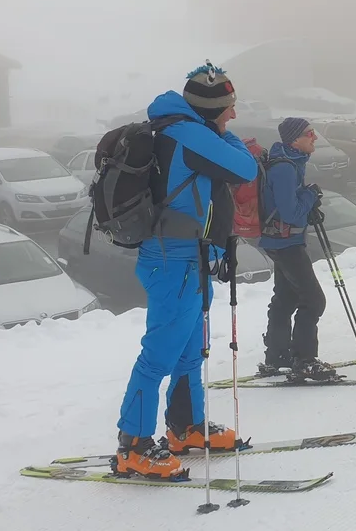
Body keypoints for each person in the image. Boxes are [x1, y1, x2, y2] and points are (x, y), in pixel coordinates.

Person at [114, 63, 258, 479]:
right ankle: (133, 444)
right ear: (211, 109)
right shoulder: (189, 133)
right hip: (171, 259)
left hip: (187, 258)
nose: (232, 116)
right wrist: (223, 135)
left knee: (189, 351)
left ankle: (185, 428)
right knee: (158, 355)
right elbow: (245, 168)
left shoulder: (181, 129)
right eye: (228, 108)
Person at [255, 117, 333, 381]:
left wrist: (307, 199)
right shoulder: (285, 169)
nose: (315, 138)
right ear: (295, 139)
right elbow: (290, 213)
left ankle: (277, 357)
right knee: (313, 300)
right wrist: (311, 196)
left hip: (278, 241)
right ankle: (304, 360)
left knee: (286, 298)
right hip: (285, 243)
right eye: (310, 133)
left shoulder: (289, 163)